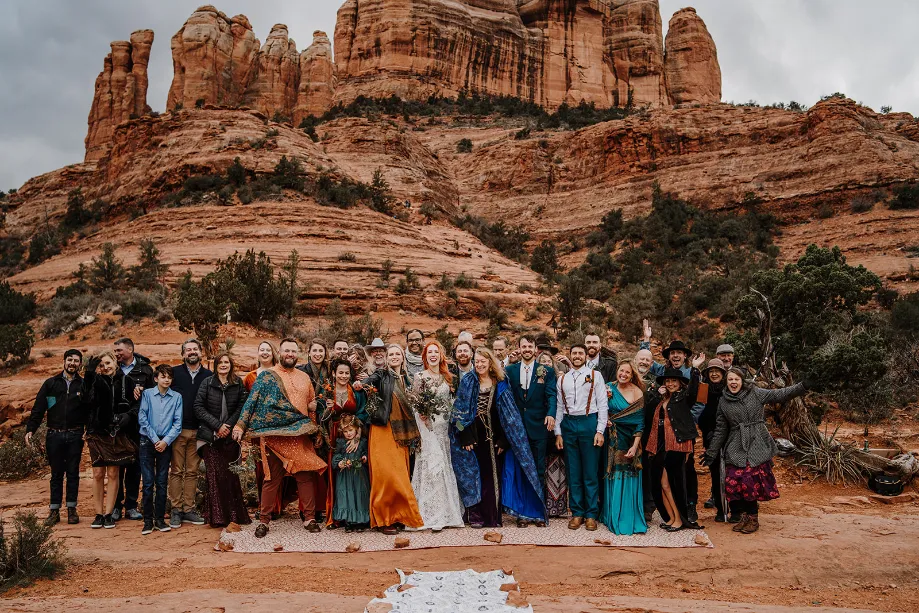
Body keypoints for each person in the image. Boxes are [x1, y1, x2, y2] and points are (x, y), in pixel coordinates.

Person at [233, 338, 327, 538]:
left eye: (293, 351)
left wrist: (315, 430)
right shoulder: (267, 376)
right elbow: (251, 402)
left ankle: (309, 518)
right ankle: (264, 521)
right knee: (271, 479)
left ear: (297, 354)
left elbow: (311, 407)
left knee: (305, 477)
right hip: (274, 437)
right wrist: (240, 425)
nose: (290, 354)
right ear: (280, 353)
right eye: (286, 351)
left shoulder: (304, 378)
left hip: (299, 436)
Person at [704, 368, 811, 534]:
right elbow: (720, 429)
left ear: (742, 381)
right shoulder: (723, 402)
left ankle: (753, 518)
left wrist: (802, 386)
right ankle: (744, 516)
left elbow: (781, 394)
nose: (733, 382)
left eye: (736, 379)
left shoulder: (756, 393)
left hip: (756, 442)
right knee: (734, 481)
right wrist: (711, 452)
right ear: (726, 382)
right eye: (730, 380)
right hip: (736, 443)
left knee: (749, 481)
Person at [452, 347, 546, 528]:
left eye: (483, 361)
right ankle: (475, 514)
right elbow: (457, 415)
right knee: (472, 476)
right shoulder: (468, 381)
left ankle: (491, 516)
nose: (479, 365)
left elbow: (509, 415)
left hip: (492, 438)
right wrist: (464, 435)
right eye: (477, 361)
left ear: (490, 363)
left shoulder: (501, 382)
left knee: (491, 477)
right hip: (472, 439)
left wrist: (504, 439)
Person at [357, 344, 424, 534]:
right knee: (385, 476)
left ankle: (400, 516)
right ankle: (384, 519)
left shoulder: (408, 379)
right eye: (391, 354)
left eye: (398, 354)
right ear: (387, 358)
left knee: (400, 476)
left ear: (403, 357)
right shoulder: (383, 374)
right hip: (383, 430)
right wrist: (361, 384)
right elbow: (371, 380)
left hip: (401, 433)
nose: (394, 357)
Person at [25, 349, 86, 526]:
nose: (72, 363)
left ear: (80, 364)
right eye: (69, 360)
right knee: (56, 474)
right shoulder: (51, 384)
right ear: (64, 361)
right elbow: (39, 408)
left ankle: (72, 510)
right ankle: (54, 511)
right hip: (54, 435)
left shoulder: (83, 385)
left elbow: (89, 410)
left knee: (73, 473)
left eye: (76, 361)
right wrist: (31, 429)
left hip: (75, 434)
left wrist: (87, 430)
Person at [409, 341, 464, 531]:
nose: (433, 355)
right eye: (429, 352)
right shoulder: (419, 376)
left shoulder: (448, 378)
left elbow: (452, 402)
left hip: (444, 429)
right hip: (427, 429)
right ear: (425, 357)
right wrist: (423, 423)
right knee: (431, 468)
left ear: (441, 356)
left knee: (443, 468)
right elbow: (415, 405)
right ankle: (428, 514)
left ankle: (445, 513)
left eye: (436, 352)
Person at [81, 351, 139, 530]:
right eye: (101, 365)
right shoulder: (96, 381)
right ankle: (98, 514)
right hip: (97, 432)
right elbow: (85, 400)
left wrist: (127, 416)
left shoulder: (127, 382)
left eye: (108, 363)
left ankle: (109, 513)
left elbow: (136, 405)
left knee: (114, 474)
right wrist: (90, 375)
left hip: (117, 432)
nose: (105, 367)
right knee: (98, 474)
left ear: (115, 362)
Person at [554, 344, 608, 531]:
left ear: (586, 356)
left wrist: (600, 430)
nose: (577, 356)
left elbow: (602, 404)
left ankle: (591, 514)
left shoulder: (595, 376)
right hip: (568, 424)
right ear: (570, 356)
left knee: (590, 471)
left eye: (580, 353)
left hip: (589, 423)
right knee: (573, 471)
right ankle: (577, 513)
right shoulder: (563, 380)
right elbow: (559, 407)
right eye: (574, 353)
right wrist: (558, 433)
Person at [195, 352, 252, 528]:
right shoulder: (207, 383)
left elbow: (242, 407)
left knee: (230, 477)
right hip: (210, 438)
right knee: (214, 477)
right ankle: (217, 517)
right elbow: (198, 407)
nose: (224, 365)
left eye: (227, 362)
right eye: (221, 362)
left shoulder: (238, 383)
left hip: (230, 438)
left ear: (231, 365)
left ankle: (235, 516)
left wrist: (227, 425)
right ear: (216, 365)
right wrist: (217, 426)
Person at [505, 335, 557, 526]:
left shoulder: (547, 371)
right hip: (517, 428)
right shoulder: (510, 370)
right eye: (523, 346)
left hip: (539, 427)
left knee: (539, 469)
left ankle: (539, 513)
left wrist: (551, 414)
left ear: (536, 349)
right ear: (519, 348)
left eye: (530, 346)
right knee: (521, 470)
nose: (527, 349)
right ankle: (522, 513)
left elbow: (552, 395)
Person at [642, 367, 700, 532]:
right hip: (662, 445)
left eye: (674, 381)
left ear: (680, 383)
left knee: (672, 483)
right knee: (662, 483)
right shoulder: (662, 400)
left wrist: (695, 371)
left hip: (677, 445)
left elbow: (693, 393)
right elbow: (650, 413)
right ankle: (671, 517)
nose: (670, 383)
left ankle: (679, 519)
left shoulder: (683, 398)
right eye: (668, 381)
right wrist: (656, 393)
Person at [168, 338, 212, 528]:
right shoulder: (174, 373)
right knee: (177, 470)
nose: (192, 352)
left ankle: (189, 509)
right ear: (183, 354)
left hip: (200, 431)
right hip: (177, 430)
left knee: (192, 471)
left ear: (201, 352)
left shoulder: (209, 375)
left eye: (195, 349)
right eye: (188, 350)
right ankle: (176, 510)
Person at [599, 360, 646, 535]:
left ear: (632, 375)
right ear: (617, 371)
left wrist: (635, 447)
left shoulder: (637, 392)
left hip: (630, 440)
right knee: (613, 475)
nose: (623, 374)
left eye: (627, 372)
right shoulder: (608, 387)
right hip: (612, 439)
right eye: (621, 371)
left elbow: (640, 423)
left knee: (628, 475)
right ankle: (611, 515)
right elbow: (598, 407)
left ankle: (627, 517)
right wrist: (605, 419)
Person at [319, 358, 367, 527]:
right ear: (334, 373)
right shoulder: (327, 391)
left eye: (347, 373)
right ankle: (335, 515)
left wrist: (357, 435)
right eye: (340, 372)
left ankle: (355, 514)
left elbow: (363, 412)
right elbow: (320, 416)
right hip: (332, 435)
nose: (344, 376)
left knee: (354, 473)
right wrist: (327, 408)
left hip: (353, 434)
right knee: (334, 473)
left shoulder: (356, 392)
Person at [112, 337, 154, 522]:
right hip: (117, 425)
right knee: (117, 467)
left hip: (138, 424)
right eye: (115, 351)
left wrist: (143, 391)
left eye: (119, 351)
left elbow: (154, 395)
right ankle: (115, 507)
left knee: (135, 467)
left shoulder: (145, 370)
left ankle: (131, 505)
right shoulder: (112, 368)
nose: (117, 354)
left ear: (130, 349)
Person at [138, 364, 183, 535]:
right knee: (148, 482)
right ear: (156, 378)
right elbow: (143, 418)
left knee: (162, 482)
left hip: (166, 442)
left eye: (169, 377)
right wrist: (156, 439)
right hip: (147, 441)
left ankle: (160, 520)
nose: (166, 380)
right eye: (163, 376)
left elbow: (178, 423)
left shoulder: (177, 397)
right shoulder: (148, 394)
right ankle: (147, 521)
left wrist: (165, 441)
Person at [698, 358, 728, 521]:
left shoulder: (728, 388)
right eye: (711, 371)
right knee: (716, 473)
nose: (714, 373)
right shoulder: (703, 389)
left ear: (723, 373)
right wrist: (707, 430)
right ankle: (720, 508)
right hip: (710, 437)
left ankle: (736, 507)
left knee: (732, 472)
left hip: (730, 437)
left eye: (718, 371)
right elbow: (699, 412)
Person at [331, 415, 370, 532]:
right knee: (347, 496)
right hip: (345, 475)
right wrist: (339, 463)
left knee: (359, 494)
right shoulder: (341, 442)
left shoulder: (363, 441)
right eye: (345, 431)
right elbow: (336, 455)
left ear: (357, 429)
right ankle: (349, 521)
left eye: (351, 430)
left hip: (359, 474)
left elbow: (367, 452)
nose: (348, 434)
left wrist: (364, 458)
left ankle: (361, 521)